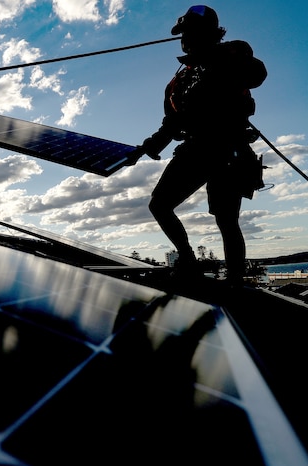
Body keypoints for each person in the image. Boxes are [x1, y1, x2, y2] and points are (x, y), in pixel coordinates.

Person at [127, 5, 267, 284]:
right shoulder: (178, 81)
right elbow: (173, 122)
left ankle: (235, 281)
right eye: (183, 34)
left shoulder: (232, 56)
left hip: (229, 149)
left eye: (190, 33)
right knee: (160, 205)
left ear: (211, 34)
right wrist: (147, 148)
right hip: (196, 149)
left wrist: (217, 56)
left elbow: (257, 74)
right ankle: (188, 260)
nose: (185, 39)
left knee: (227, 220)